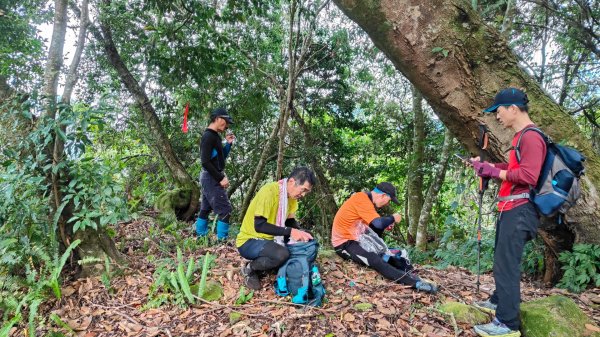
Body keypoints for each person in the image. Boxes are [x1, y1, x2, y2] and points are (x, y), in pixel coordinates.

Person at [471, 88, 546, 337]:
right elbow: (515, 168)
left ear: (513, 108)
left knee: (507, 266)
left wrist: (493, 173)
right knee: (501, 260)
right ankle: (497, 301)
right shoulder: (519, 137)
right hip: (510, 208)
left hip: (521, 209)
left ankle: (508, 323)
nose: (497, 116)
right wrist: (490, 166)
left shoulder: (531, 137)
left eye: (499, 111)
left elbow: (528, 175)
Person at [331, 182, 438, 293]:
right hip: (343, 244)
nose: (387, 204)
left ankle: (409, 273)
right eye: (389, 200)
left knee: (385, 253)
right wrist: (392, 218)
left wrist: (385, 224)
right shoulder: (361, 199)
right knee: (374, 260)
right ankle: (415, 283)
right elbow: (378, 223)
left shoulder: (366, 200)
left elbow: (376, 228)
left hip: (357, 238)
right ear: (383, 196)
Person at [236, 167, 316, 290]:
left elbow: (289, 221)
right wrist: (290, 231)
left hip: (270, 238)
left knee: (308, 237)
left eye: (307, 192)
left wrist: (300, 232)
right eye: (303, 190)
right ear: (292, 182)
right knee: (281, 254)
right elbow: (259, 226)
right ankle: (250, 268)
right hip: (250, 240)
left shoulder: (292, 198)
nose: (303, 195)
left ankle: (272, 265)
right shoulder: (269, 191)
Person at [195, 107, 236, 240]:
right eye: (225, 122)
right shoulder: (208, 136)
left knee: (206, 208)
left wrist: (228, 144)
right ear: (218, 119)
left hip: (209, 177)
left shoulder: (215, 136)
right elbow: (205, 161)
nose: (227, 125)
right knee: (225, 210)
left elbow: (219, 157)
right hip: (211, 177)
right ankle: (222, 241)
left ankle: (201, 237)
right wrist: (220, 177)